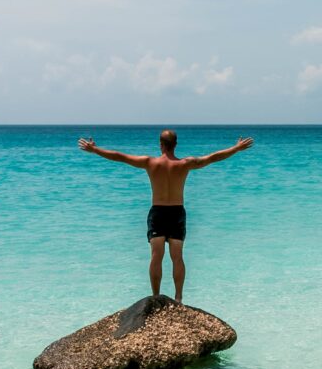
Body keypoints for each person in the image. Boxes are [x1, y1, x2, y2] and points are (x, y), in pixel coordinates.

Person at [78, 129, 253, 304]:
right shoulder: (186, 163)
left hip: (158, 212)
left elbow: (120, 157)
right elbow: (212, 158)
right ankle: (178, 298)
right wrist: (236, 148)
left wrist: (95, 150)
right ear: (175, 145)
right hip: (177, 212)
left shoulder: (149, 162)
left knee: (156, 256)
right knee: (177, 256)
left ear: (160, 144)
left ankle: (155, 297)